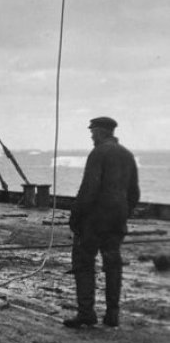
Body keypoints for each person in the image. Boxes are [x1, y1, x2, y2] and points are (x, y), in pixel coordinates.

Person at [64, 117, 139, 328]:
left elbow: (89, 189)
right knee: (113, 265)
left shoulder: (98, 153)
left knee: (84, 262)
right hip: (117, 220)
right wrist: (123, 213)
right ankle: (112, 315)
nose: (91, 135)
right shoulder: (127, 155)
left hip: (95, 221)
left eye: (93, 131)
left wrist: (76, 216)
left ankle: (86, 313)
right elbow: (134, 193)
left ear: (101, 132)